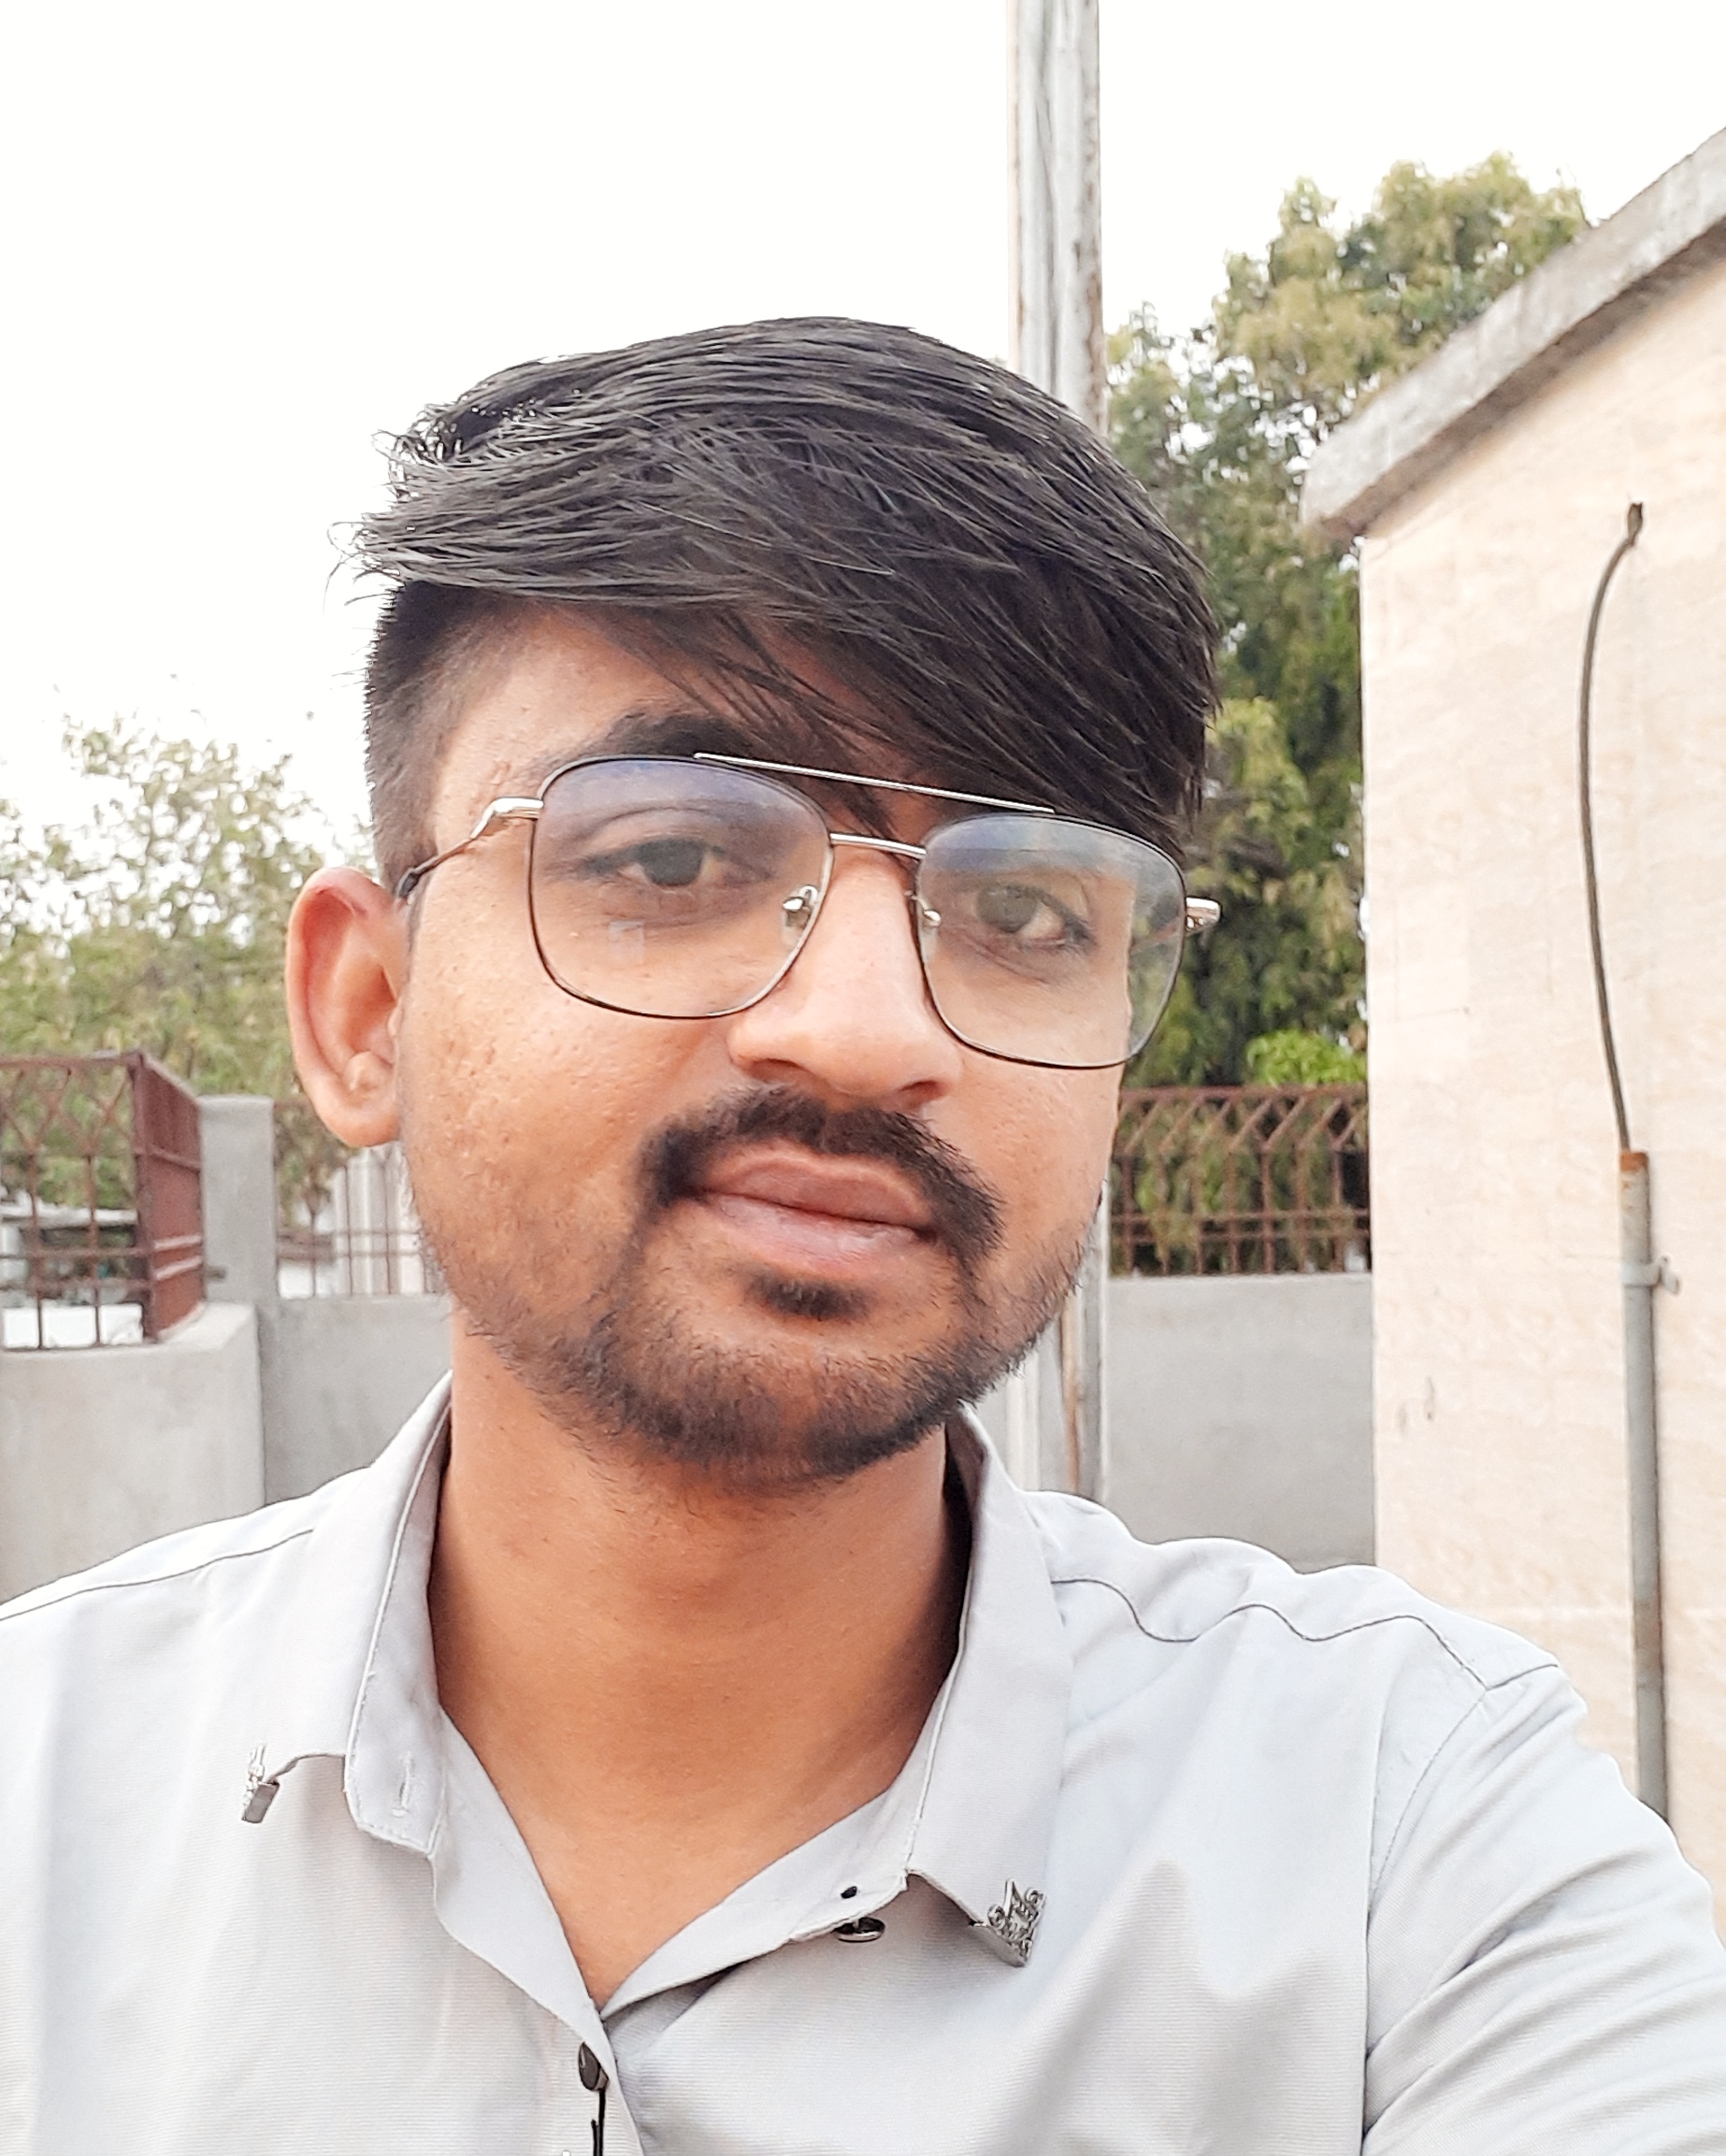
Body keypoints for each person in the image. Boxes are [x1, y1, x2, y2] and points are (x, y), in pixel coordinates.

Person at [1, 319, 1722, 2152]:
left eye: (1028, 909)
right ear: (365, 1010)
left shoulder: (1409, 1852)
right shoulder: (42, 1809)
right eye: (671, 859)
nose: (865, 1027)